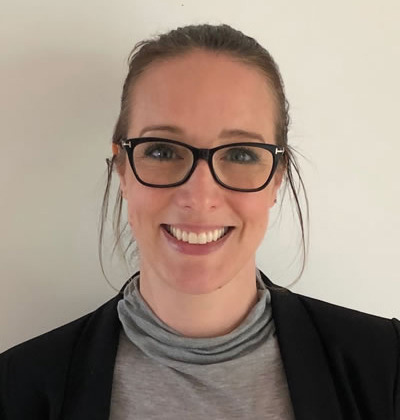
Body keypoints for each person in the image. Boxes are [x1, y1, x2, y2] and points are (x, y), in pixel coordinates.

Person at [0, 24, 399, 420]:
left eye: (241, 154)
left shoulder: (387, 366)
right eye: (161, 150)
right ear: (121, 168)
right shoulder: (16, 388)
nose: (200, 196)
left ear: (276, 177)